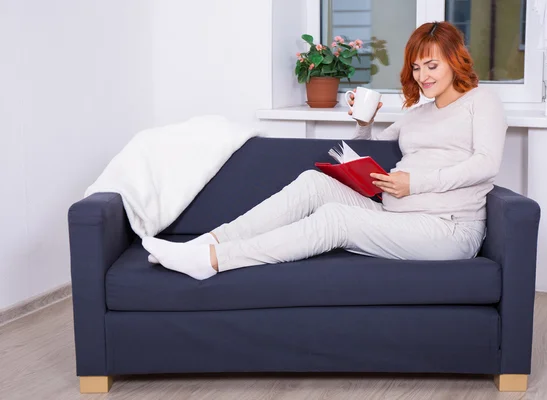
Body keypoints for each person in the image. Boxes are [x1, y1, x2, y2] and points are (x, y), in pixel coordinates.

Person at [142, 21, 507, 280]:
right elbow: (375, 150)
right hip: (397, 216)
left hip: (449, 230)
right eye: (416, 68)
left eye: (432, 65)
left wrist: (417, 183)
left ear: (454, 60)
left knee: (336, 219)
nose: (423, 76)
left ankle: (212, 260)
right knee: (313, 183)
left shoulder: (481, 101)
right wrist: (365, 122)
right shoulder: (418, 114)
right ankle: (211, 239)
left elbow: (487, 164)